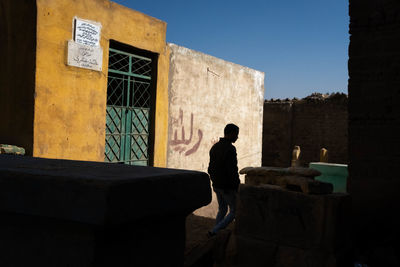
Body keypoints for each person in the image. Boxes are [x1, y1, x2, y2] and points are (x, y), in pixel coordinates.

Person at [207, 123, 240, 236]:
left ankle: (215, 231)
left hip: (217, 185)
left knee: (222, 209)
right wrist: (236, 186)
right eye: (236, 134)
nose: (237, 137)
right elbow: (232, 170)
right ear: (231, 134)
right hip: (227, 187)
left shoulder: (215, 147)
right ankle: (215, 231)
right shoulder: (230, 149)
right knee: (234, 211)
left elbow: (210, 168)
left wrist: (214, 181)